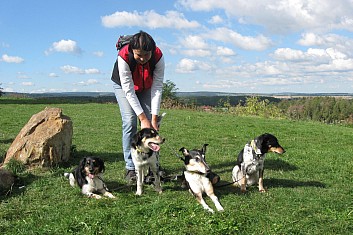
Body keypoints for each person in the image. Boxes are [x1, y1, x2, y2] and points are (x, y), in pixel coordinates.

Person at [111, 31, 165, 182]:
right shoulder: (124, 57)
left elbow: (157, 87)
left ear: (152, 51)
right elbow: (128, 90)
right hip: (123, 86)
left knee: (152, 125)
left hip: (146, 86)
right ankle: (131, 168)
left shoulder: (158, 57)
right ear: (132, 51)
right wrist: (142, 118)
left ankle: (153, 166)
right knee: (130, 121)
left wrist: (152, 118)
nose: (142, 59)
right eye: (138, 55)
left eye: (146, 55)